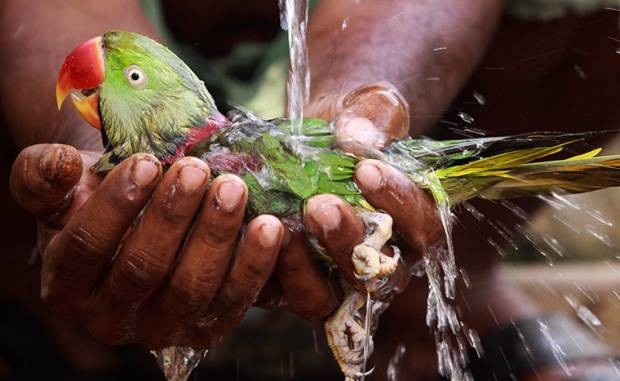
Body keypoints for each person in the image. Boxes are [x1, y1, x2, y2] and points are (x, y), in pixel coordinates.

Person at [1, 0, 619, 379]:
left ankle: (433, 317)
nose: (102, 84)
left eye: (130, 77)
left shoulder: (228, 153)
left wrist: (360, 113)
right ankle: (53, 335)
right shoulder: (154, 151)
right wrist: (79, 168)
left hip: (376, 145)